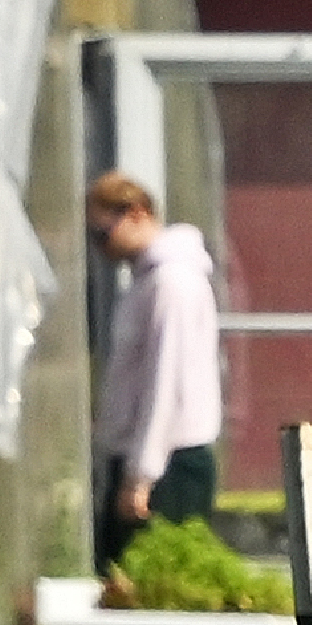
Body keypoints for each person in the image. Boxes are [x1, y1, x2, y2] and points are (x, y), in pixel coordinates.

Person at [87, 173, 226, 560]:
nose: (101, 247)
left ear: (136, 214)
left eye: (103, 233)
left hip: (169, 465)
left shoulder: (173, 284)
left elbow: (166, 383)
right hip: (143, 461)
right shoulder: (144, 285)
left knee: (154, 592)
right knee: (125, 589)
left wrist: (142, 474)